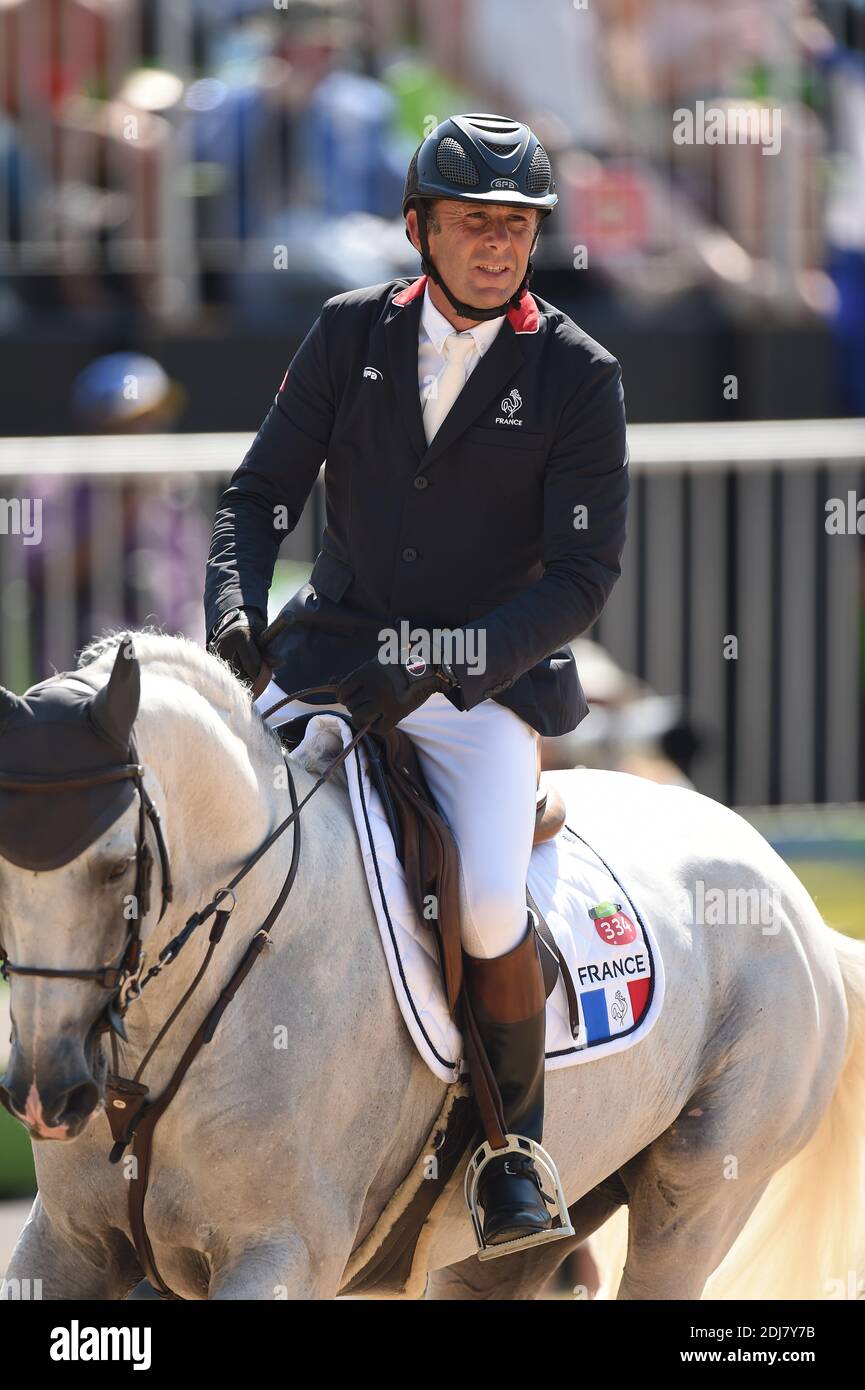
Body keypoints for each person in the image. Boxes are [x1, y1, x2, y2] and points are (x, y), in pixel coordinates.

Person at [204, 113, 629, 1253]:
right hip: (328, 657)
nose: (497, 246)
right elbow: (257, 495)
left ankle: (512, 1155)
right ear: (419, 229)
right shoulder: (350, 333)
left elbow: (583, 575)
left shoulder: (580, 375)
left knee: (490, 901)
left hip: (479, 692)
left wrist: (451, 660)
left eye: (516, 227)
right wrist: (235, 611)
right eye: (473, 224)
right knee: (208, 840)